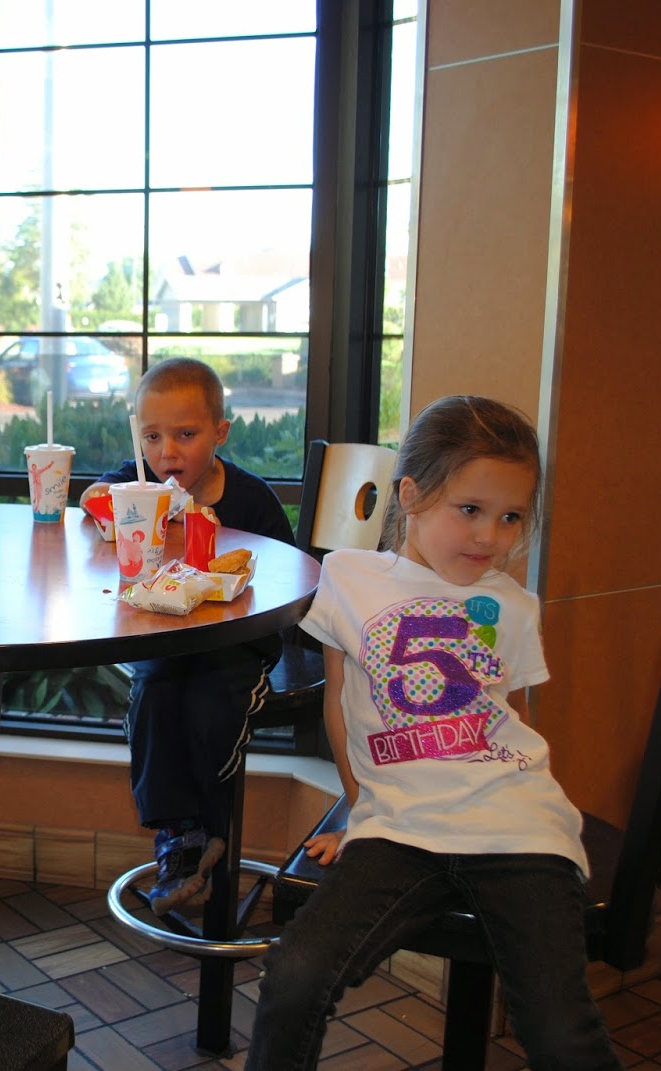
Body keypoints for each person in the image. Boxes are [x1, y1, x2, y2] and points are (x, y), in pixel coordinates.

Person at [247, 396, 619, 1071]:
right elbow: (339, 705)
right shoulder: (350, 577)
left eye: (511, 517)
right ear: (411, 496)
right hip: (398, 832)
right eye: (470, 509)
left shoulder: (512, 604)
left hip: (518, 829)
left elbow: (501, 720)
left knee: (561, 1032)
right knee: (294, 978)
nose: (490, 536)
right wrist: (358, 810)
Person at [80, 357, 294, 916]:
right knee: (154, 692)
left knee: (209, 701)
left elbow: (291, 578)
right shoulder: (141, 486)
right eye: (152, 437)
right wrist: (110, 499)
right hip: (167, 638)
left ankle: (208, 826)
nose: (167, 453)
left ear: (220, 433)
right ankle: (179, 835)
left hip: (240, 642)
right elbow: (91, 500)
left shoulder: (251, 499)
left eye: (186, 435)